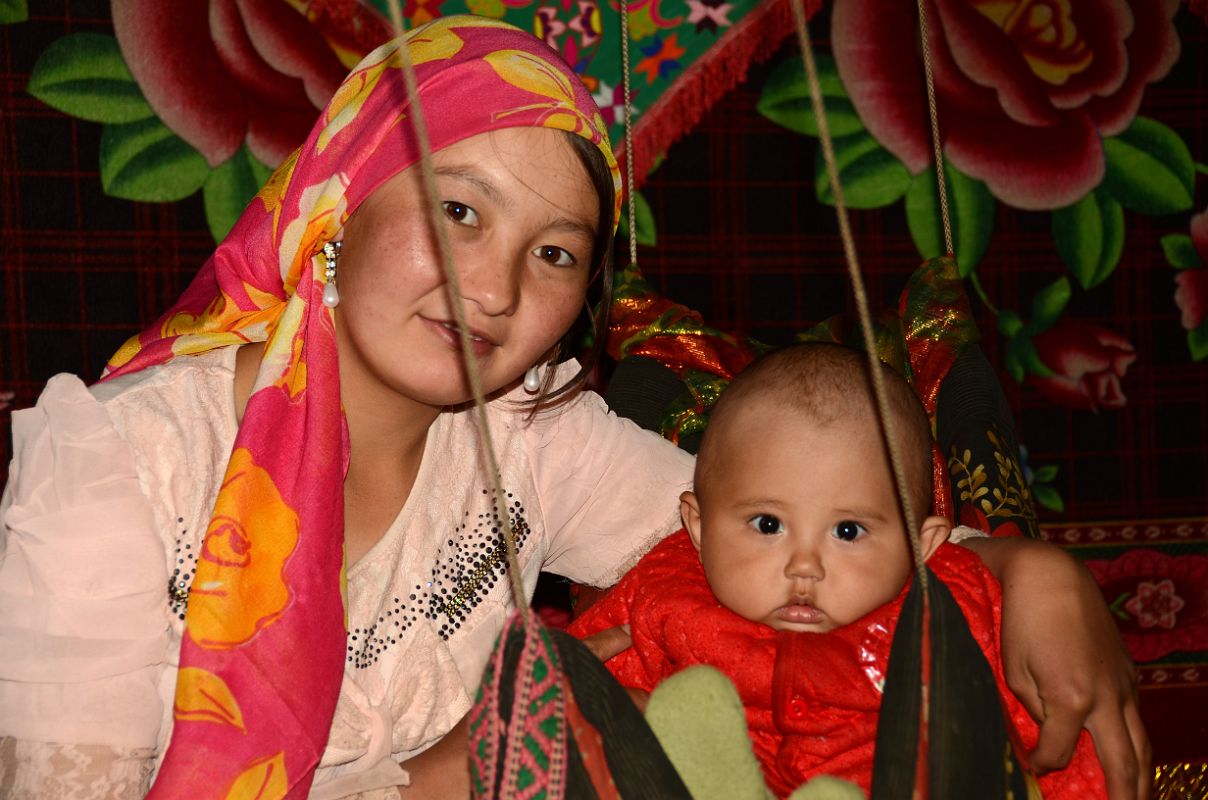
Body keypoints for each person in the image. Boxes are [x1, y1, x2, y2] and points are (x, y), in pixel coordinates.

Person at [0, 14, 1146, 800]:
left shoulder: (532, 440)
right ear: (336, 198)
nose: (494, 288)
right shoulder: (114, 464)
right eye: (457, 210)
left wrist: (1023, 570)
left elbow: (779, 530)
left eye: (553, 252)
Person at [569, 342, 1107, 798]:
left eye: (848, 531)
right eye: (767, 524)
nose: (804, 566)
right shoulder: (665, 592)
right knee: (678, 713)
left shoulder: (952, 609)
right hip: (720, 774)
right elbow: (576, 691)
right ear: (699, 528)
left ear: (923, 547)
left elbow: (1042, 733)